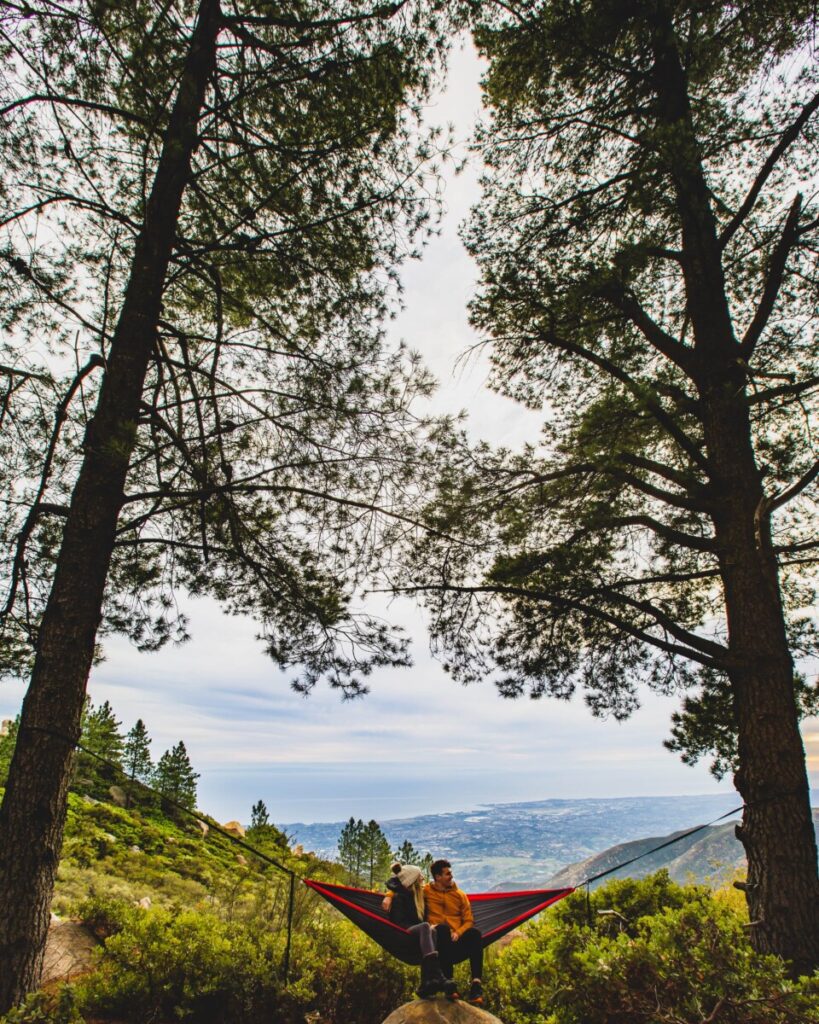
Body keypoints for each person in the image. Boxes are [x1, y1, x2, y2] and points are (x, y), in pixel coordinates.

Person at [381, 862, 449, 999]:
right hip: (402, 934)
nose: (423, 878)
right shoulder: (399, 897)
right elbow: (399, 922)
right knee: (425, 927)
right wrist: (389, 894)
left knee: (432, 930)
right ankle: (437, 973)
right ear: (413, 880)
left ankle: (426, 984)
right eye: (420, 876)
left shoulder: (420, 897)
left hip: (417, 934)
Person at [423, 859, 484, 1006]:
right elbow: (405, 889)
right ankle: (449, 983)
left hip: (456, 942)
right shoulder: (425, 891)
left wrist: (458, 932)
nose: (451, 876)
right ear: (438, 877)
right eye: (447, 874)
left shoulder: (460, 895)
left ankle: (476, 986)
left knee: (475, 934)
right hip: (436, 944)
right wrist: (389, 896)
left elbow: (469, 921)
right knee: (442, 929)